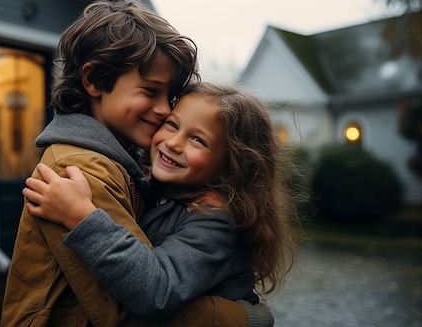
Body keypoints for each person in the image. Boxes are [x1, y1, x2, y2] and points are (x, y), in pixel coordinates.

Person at [0, 0, 273, 327]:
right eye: (150, 91)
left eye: (169, 96)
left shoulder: (128, 168)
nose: (164, 110)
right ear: (95, 80)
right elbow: (127, 308)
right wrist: (245, 317)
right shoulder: (82, 171)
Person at [23, 82, 300, 322]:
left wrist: (81, 216)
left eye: (197, 140)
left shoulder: (214, 224)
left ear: (232, 165)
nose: (174, 143)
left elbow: (156, 290)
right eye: (172, 125)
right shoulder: (162, 191)